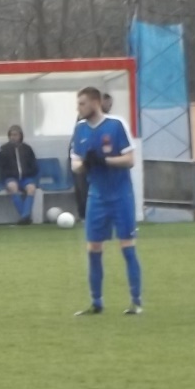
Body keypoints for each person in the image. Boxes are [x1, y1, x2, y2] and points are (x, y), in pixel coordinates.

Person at [70, 86, 142, 315]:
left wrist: (105, 161)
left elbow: (130, 160)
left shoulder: (116, 124)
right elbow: (75, 164)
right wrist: (85, 164)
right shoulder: (80, 129)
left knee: (127, 246)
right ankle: (96, 302)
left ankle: (136, 301)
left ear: (95, 103)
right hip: (96, 196)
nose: (79, 108)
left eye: (82, 103)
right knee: (93, 247)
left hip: (121, 195)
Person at [72, 92, 115, 221]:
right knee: (82, 186)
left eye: (110, 104)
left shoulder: (112, 122)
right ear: (99, 103)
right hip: (84, 157)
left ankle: (103, 214)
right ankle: (84, 214)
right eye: (107, 103)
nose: (109, 106)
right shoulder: (84, 121)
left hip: (100, 162)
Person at [0, 125, 40, 225]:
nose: (13, 137)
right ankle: (25, 216)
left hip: (25, 177)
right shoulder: (3, 149)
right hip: (10, 178)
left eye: (15, 135)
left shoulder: (27, 149)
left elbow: (34, 165)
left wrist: (29, 173)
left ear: (20, 136)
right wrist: (6, 175)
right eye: (11, 135)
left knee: (31, 188)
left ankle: (24, 216)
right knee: (13, 187)